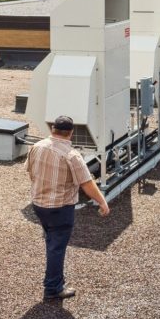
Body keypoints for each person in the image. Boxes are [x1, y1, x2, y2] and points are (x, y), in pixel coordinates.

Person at [26, 115, 109, 302]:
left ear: (52, 129)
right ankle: (53, 288)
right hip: (60, 207)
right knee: (57, 247)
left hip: (39, 204)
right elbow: (87, 183)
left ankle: (55, 280)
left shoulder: (37, 147)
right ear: (71, 133)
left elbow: (30, 171)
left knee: (52, 241)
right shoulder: (72, 155)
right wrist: (102, 201)